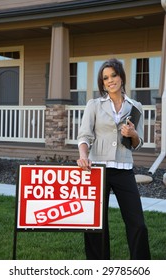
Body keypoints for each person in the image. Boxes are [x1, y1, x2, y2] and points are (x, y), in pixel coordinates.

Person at [77, 58, 151, 260]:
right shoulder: (94, 105)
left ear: (121, 76)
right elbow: (84, 136)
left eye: (114, 75)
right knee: (96, 224)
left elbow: (138, 143)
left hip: (124, 168)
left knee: (137, 223)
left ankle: (142, 267)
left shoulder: (135, 106)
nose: (110, 81)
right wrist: (83, 156)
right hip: (97, 169)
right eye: (105, 78)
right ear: (102, 83)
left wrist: (133, 133)